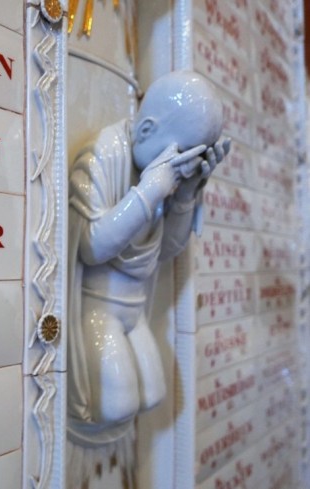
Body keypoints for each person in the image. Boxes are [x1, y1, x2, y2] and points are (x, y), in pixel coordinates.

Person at [67, 71, 230, 445]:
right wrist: (150, 191)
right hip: (98, 312)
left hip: (134, 311)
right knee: (116, 403)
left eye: (193, 159)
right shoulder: (104, 154)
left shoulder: (161, 172)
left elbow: (166, 250)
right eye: (181, 155)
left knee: (154, 393)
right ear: (145, 131)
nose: (182, 167)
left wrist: (187, 192)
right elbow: (91, 245)